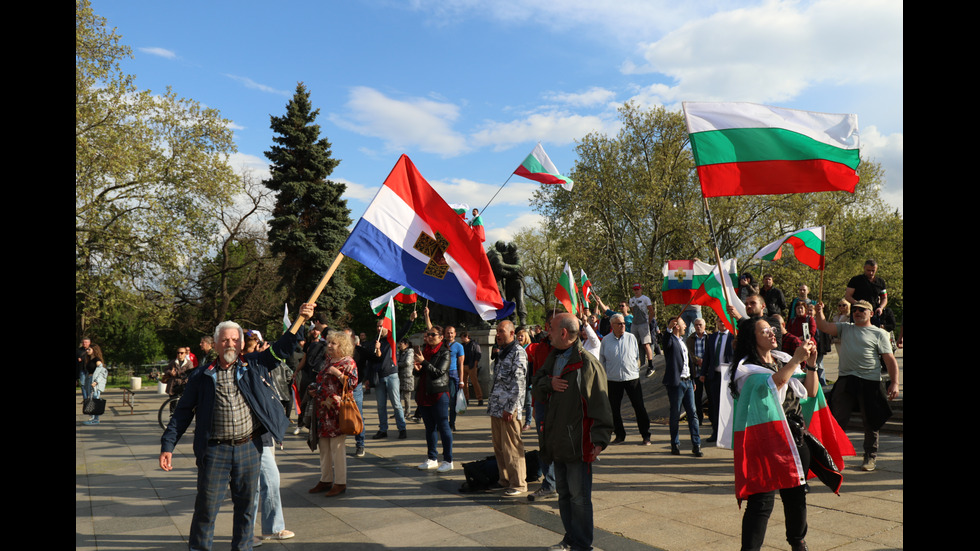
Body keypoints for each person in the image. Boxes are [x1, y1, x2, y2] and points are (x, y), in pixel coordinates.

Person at [159, 302, 314, 551]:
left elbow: (282, 348)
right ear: (217, 344)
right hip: (214, 452)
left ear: (241, 344)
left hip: (249, 449)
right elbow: (182, 413)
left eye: (234, 339)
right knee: (206, 510)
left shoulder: (254, 364)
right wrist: (168, 445)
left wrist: (300, 321)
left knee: (245, 511)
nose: (230, 344)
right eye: (225, 340)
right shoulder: (202, 375)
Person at [728, 316, 819, 551]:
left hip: (794, 437)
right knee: (761, 501)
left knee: (796, 497)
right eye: (765, 331)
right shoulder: (746, 370)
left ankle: (798, 541)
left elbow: (810, 390)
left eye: (772, 329)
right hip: (766, 442)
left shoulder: (783, 361)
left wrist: (810, 364)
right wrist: (797, 359)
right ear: (752, 339)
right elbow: (771, 384)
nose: (772, 333)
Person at [532, 313, 612, 551]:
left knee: (579, 498)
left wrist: (600, 438)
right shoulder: (554, 357)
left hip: (579, 442)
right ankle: (570, 539)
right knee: (564, 495)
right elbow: (536, 384)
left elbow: (600, 402)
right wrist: (550, 384)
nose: (548, 333)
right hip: (557, 440)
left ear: (564, 333)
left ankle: (582, 544)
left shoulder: (587, 363)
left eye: (552, 329)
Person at [815, 299, 899, 471]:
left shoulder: (879, 333)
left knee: (871, 422)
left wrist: (895, 382)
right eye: (855, 310)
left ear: (870, 313)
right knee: (838, 420)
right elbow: (823, 326)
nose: (857, 312)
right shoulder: (845, 328)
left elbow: (890, 360)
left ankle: (870, 456)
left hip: (871, 382)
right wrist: (819, 312)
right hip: (846, 380)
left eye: (862, 310)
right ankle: (833, 456)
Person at [308, 330, 359, 498]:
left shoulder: (348, 362)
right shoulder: (328, 360)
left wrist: (337, 374)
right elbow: (322, 380)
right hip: (323, 410)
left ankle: (340, 483)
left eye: (333, 344)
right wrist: (314, 389)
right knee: (324, 447)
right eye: (328, 343)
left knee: (337, 448)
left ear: (342, 346)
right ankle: (325, 479)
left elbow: (352, 384)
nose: (329, 346)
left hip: (337, 411)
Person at [487, 320, 528, 497]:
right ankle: (504, 480)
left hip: (509, 409)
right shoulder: (503, 352)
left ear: (512, 333)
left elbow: (519, 384)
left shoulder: (518, 353)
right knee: (499, 447)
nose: (498, 334)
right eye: (497, 331)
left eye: (501, 331)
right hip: (497, 407)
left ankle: (519, 483)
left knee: (512, 447)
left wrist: (510, 409)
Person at [598, 313, 651, 445]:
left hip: (631, 378)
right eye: (619, 324)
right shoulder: (606, 340)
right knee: (614, 409)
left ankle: (645, 435)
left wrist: (634, 369)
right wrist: (605, 377)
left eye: (623, 323)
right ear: (612, 325)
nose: (622, 326)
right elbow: (602, 360)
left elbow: (636, 356)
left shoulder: (631, 337)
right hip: (613, 379)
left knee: (639, 407)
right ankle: (620, 435)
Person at [415, 325, 454, 473]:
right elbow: (422, 373)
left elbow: (438, 372)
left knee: (443, 427)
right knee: (429, 427)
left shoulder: (445, 352)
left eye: (433, 335)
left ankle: (448, 460)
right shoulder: (425, 351)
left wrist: (423, 362)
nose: (430, 337)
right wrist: (417, 369)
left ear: (440, 337)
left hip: (439, 393)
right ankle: (432, 458)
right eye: (428, 335)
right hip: (424, 393)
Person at [662, 317, 702, 457]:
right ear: (676, 326)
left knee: (693, 413)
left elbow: (688, 362)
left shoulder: (683, 342)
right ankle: (675, 444)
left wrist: (692, 380)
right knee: (675, 414)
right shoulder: (671, 340)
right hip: (676, 383)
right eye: (683, 324)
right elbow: (665, 342)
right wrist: (668, 329)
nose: (686, 326)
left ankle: (696, 445)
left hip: (688, 382)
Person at [368, 316, 409, 441]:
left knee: (396, 404)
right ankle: (383, 429)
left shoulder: (392, 339)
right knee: (381, 406)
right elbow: (373, 360)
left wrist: (410, 320)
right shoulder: (375, 342)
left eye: (381, 326)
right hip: (379, 377)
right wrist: (368, 378)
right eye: (378, 326)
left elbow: (404, 330)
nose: (379, 328)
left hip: (391, 375)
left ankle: (402, 429)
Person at [700, 318, 732, 443]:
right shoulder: (712, 337)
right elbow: (707, 356)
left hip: (728, 376)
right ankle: (716, 432)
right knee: (715, 405)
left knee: (728, 405)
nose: (722, 323)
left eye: (724, 321)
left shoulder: (733, 336)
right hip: (715, 376)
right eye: (719, 321)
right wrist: (703, 373)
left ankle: (729, 433)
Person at [845, 259, 888, 327]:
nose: (871, 273)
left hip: (874, 313)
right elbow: (848, 296)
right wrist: (859, 304)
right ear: (864, 268)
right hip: (858, 312)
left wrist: (881, 307)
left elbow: (884, 298)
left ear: (876, 269)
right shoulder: (855, 280)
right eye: (868, 270)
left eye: (873, 271)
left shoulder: (881, 282)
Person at [628, 283, 658, 377]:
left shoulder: (645, 298)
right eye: (635, 290)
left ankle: (650, 365)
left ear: (641, 290)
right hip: (635, 323)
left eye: (638, 289)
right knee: (633, 344)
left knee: (646, 344)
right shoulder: (631, 300)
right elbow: (633, 311)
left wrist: (648, 322)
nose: (636, 291)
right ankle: (633, 364)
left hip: (643, 323)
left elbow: (651, 311)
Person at [685, 318, 709, 426]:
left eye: (700, 325)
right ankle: (699, 420)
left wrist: (705, 361)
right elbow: (688, 353)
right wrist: (697, 360)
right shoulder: (690, 339)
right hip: (696, 372)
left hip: (708, 371)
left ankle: (713, 420)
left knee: (711, 396)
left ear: (704, 326)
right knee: (697, 398)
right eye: (696, 325)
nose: (698, 327)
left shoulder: (710, 337)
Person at [83, 344, 107, 425]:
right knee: (91, 399)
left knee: (95, 399)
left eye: (89, 349)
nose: (87, 351)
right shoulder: (90, 359)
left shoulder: (97, 360)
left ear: (94, 350)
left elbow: (103, 372)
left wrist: (96, 382)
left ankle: (96, 419)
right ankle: (93, 417)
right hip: (90, 380)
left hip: (94, 382)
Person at [460, 331, 483, 406]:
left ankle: (480, 398)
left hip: (471, 365)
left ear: (467, 337)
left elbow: (477, 354)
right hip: (463, 365)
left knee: (474, 382)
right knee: (464, 383)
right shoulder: (462, 345)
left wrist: (475, 365)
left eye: (462, 337)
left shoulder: (474, 344)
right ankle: (466, 399)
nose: (461, 339)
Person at [397, 338, 415, 416]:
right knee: (397, 396)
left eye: (401, 344)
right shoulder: (399, 353)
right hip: (399, 376)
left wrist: (398, 364)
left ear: (406, 345)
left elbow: (407, 362)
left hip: (407, 376)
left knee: (406, 396)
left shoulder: (410, 352)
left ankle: (407, 411)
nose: (399, 346)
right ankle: (398, 412)